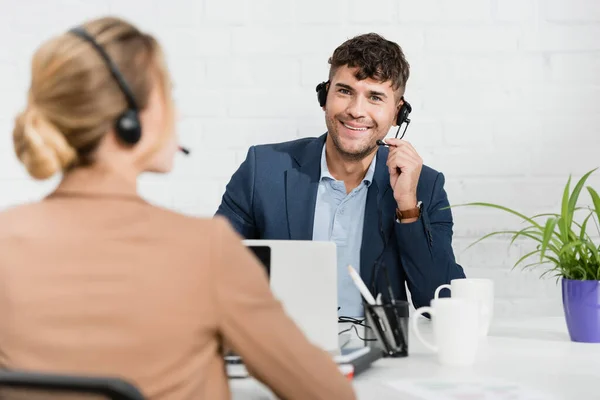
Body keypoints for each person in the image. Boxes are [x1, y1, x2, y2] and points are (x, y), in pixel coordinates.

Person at [0, 16, 355, 400]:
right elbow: (327, 393)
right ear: (131, 121)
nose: (179, 114)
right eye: (168, 94)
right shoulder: (206, 250)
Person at [216, 33, 466, 318]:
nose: (356, 111)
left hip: (377, 355)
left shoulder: (425, 186)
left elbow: (441, 308)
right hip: (284, 348)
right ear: (325, 97)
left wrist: (407, 206)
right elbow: (213, 273)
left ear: (398, 113)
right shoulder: (262, 169)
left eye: (375, 97)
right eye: (345, 91)